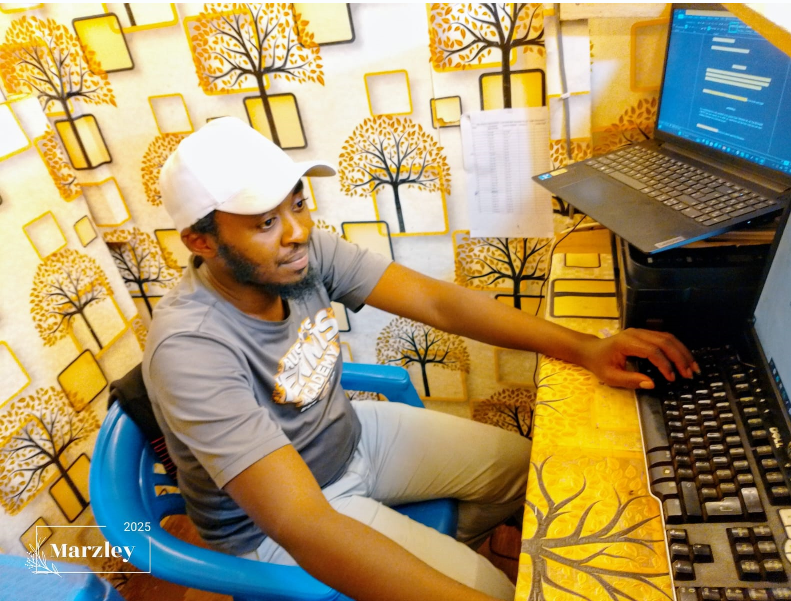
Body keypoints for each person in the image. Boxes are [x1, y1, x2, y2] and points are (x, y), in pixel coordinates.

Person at [145, 117, 698, 601]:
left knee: (526, 471)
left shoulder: (300, 255)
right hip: (276, 521)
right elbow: (301, 520)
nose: (298, 231)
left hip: (348, 436)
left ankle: (433, 553)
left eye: (298, 203)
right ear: (201, 242)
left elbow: (437, 302)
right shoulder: (189, 349)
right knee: (494, 590)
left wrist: (586, 347)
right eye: (265, 222)